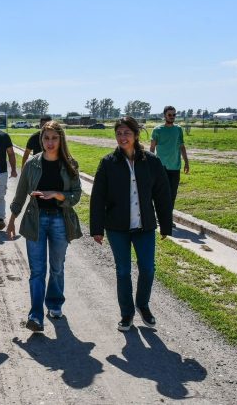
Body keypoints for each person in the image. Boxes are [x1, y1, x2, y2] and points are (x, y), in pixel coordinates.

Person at [90, 116, 173, 332]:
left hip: (144, 227)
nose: (122, 137)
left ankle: (142, 305)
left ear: (136, 135)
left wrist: (166, 224)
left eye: (126, 133)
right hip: (117, 228)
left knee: (148, 269)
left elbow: (162, 195)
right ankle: (126, 314)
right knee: (123, 271)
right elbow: (98, 197)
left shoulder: (151, 162)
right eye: (118, 133)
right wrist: (97, 229)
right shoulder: (108, 163)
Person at [6, 121, 82, 332]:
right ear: (41, 140)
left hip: (60, 220)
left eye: (54, 138)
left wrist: (58, 195)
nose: (49, 142)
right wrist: (12, 219)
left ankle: (55, 304)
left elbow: (76, 195)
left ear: (61, 139)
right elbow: (20, 194)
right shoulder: (32, 164)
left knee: (57, 267)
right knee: (37, 271)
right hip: (35, 221)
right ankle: (36, 315)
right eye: (46, 138)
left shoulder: (70, 164)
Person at [150, 106, 189, 212]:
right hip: (161, 167)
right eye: (170, 115)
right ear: (165, 116)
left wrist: (186, 162)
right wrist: (150, 165)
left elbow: (181, 146)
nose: (172, 117)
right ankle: (160, 215)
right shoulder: (157, 130)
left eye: (174, 115)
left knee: (172, 194)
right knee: (162, 193)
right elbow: (152, 149)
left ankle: (168, 217)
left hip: (175, 167)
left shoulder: (178, 129)